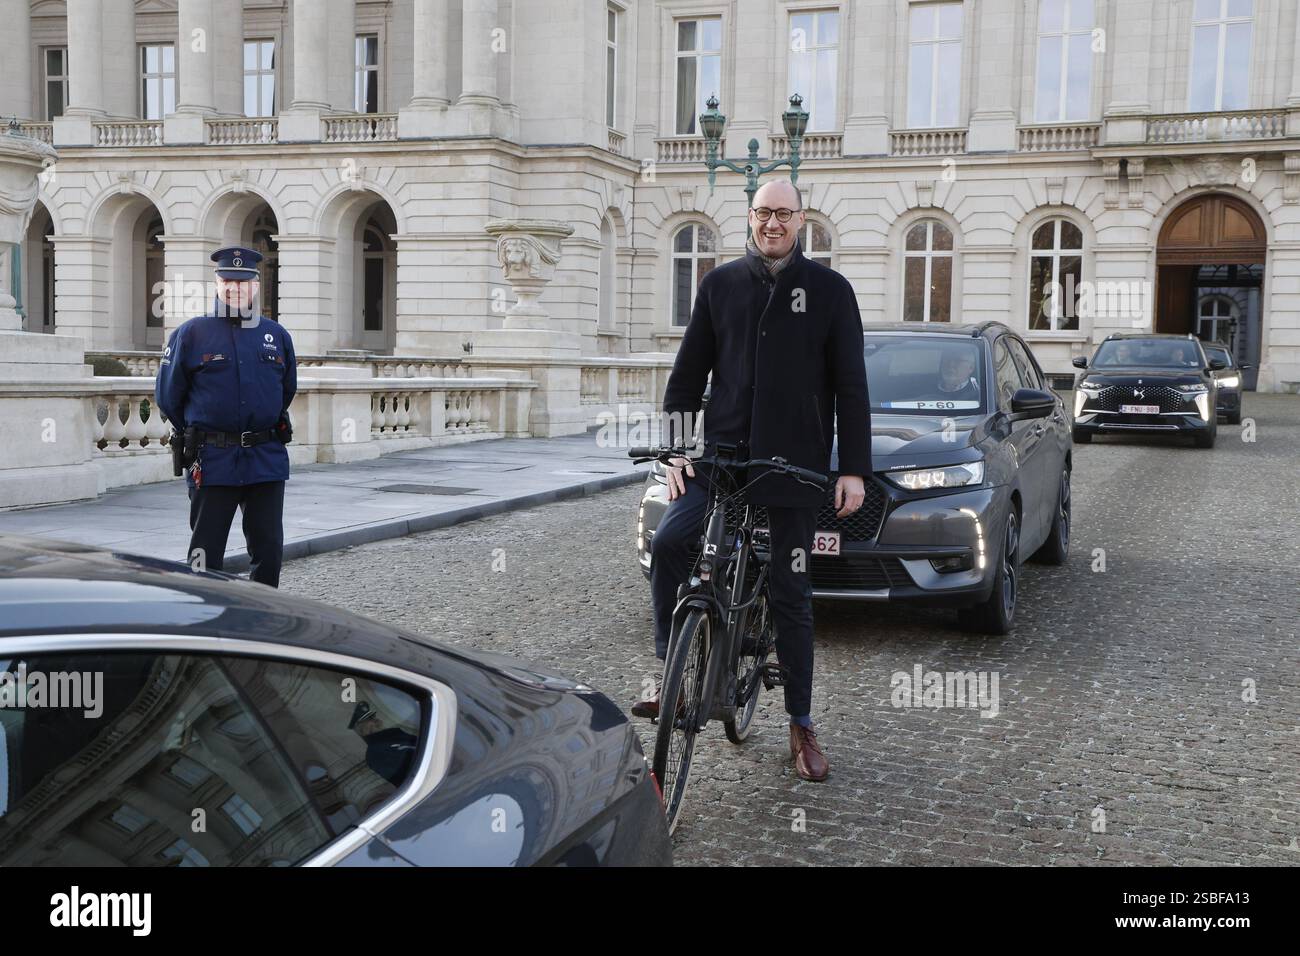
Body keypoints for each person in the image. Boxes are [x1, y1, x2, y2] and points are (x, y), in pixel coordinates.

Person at [636, 179, 871, 782]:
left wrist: (853, 470)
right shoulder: (719, 285)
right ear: (750, 217)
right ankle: (674, 680)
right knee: (668, 545)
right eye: (764, 213)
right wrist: (674, 454)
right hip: (722, 459)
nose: (773, 223)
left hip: (792, 465)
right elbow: (687, 379)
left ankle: (800, 723)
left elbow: (851, 387)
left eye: (783, 214)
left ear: (801, 222)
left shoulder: (830, 291)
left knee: (792, 595)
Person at [155, 247, 297, 587]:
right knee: (205, 551)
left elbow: (286, 390)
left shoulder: (276, 335)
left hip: (265, 457)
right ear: (217, 284)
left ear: (255, 286)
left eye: (243, 282)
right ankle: (204, 615)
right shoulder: (191, 334)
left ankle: (262, 615)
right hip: (213, 459)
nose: (235, 288)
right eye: (227, 281)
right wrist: (202, 432)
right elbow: (168, 398)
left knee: (269, 548)